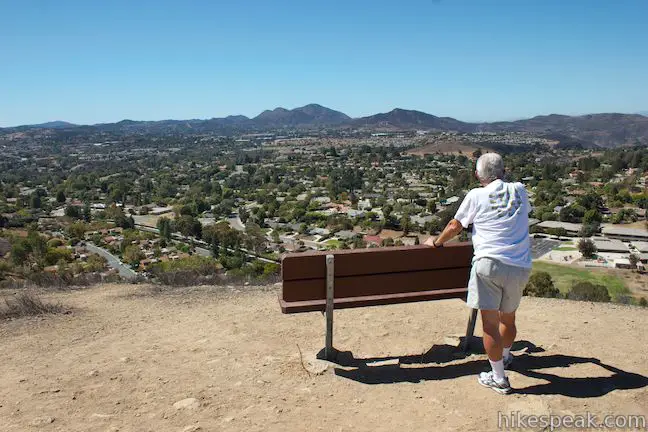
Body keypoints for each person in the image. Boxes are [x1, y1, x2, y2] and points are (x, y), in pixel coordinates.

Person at [425, 152, 531, 395]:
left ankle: (498, 378)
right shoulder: (520, 190)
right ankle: (504, 357)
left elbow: (455, 225)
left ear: (477, 175)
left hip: (489, 264)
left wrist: (438, 243)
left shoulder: (476, 194)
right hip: (520, 266)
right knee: (509, 320)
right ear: (504, 171)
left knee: (490, 326)